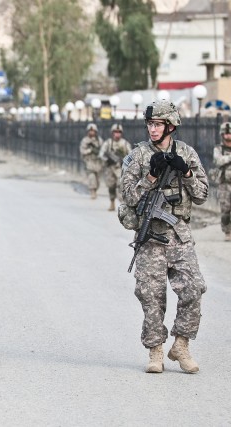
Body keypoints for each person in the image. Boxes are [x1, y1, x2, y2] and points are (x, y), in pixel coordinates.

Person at [120, 100, 208, 374]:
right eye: (150, 124)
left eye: (157, 124)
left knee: (194, 288)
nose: (152, 129)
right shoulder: (138, 156)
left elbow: (202, 194)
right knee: (151, 296)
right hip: (151, 238)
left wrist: (187, 172)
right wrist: (150, 176)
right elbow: (128, 197)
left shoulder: (186, 153)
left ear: (170, 126)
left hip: (179, 236)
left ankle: (181, 345)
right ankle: (156, 350)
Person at [99, 123, 132, 211]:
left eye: (119, 132)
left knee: (120, 186)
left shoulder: (125, 143)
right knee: (111, 186)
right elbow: (101, 154)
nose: (117, 134)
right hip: (110, 168)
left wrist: (124, 161)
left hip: (120, 169)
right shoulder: (108, 143)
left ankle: (122, 205)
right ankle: (112, 202)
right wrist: (107, 160)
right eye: (115, 132)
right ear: (112, 133)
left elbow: (131, 156)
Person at [213, 122, 231, 241]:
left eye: (229, 133)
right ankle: (227, 232)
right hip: (224, 183)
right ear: (222, 134)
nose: (228, 135)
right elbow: (218, 160)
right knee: (225, 209)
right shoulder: (218, 148)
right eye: (226, 133)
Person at [79, 123, 104, 199]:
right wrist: (90, 150)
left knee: (98, 180)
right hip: (89, 161)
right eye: (90, 131)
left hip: (98, 162)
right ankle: (92, 192)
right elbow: (82, 151)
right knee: (91, 177)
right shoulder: (85, 140)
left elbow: (103, 149)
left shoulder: (99, 140)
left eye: (93, 131)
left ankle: (95, 189)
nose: (92, 132)